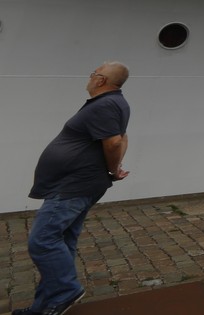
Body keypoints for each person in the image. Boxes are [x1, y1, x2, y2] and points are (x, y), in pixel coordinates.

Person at [16, 62, 131, 315]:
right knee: (63, 242)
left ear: (101, 80)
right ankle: (43, 307)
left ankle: (67, 291)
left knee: (42, 240)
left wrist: (113, 169)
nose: (90, 77)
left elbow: (114, 142)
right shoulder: (115, 103)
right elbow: (122, 138)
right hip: (79, 183)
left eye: (94, 74)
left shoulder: (105, 104)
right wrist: (115, 168)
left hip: (73, 186)